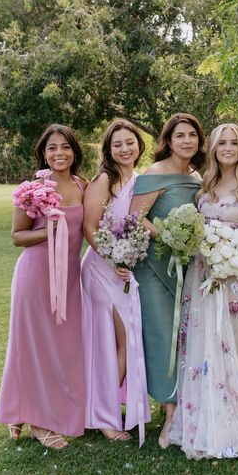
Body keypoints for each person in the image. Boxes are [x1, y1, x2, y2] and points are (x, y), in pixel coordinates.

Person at [166, 123, 238, 458]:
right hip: (202, 273)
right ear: (213, 148)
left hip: (235, 278)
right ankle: (200, 413)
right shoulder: (206, 183)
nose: (227, 148)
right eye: (221, 142)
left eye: (233, 142)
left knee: (233, 344)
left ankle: (234, 415)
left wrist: (234, 265)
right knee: (202, 342)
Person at [0, 124, 87, 450]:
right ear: (43, 153)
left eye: (65, 147)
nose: (59, 153)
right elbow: (17, 236)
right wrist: (50, 231)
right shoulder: (31, 189)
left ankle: (22, 411)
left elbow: (89, 228)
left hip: (70, 279)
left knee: (62, 347)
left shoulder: (82, 184)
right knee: (32, 346)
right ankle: (37, 421)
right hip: (35, 277)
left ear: (74, 151)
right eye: (52, 148)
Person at [130, 113, 205, 447]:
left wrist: (185, 243)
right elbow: (136, 216)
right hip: (156, 265)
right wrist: (167, 236)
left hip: (187, 266)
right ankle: (169, 411)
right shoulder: (155, 172)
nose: (187, 141)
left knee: (184, 335)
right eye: (180, 136)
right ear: (168, 140)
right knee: (162, 334)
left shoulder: (198, 176)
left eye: (192, 135)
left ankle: (184, 402)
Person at [81, 119, 150, 443]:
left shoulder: (140, 180)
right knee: (116, 341)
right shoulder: (103, 181)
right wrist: (115, 259)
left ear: (139, 145)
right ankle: (104, 417)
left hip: (124, 272)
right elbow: (90, 227)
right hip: (100, 271)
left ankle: (104, 408)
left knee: (126, 341)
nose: (125, 149)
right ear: (109, 149)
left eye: (130, 142)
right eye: (118, 144)